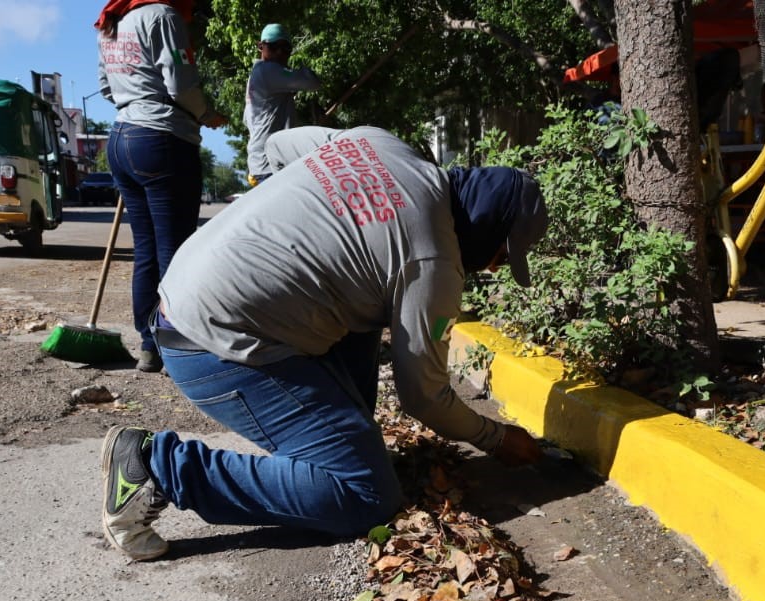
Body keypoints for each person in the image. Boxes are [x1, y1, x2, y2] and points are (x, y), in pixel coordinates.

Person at [100, 125, 548, 561]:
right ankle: (159, 469)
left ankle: (338, 444)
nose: (492, 270)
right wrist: (494, 438)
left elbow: (277, 146)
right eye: (500, 256)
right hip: (213, 346)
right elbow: (424, 398)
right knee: (366, 494)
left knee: (369, 300)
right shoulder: (433, 261)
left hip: (185, 291)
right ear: (488, 227)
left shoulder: (377, 141)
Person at [95, 0, 225, 373]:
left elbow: (106, 87)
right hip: (162, 139)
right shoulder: (163, 16)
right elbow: (181, 83)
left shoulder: (111, 22)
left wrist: (134, 96)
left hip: (121, 139)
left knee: (147, 251)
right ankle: (177, 347)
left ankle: (150, 345)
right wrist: (206, 113)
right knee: (176, 251)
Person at [244, 23, 320, 185]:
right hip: (272, 164)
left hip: (260, 164)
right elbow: (312, 82)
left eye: (285, 48)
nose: (280, 52)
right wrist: (302, 70)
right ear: (261, 47)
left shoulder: (255, 76)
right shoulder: (268, 70)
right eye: (273, 46)